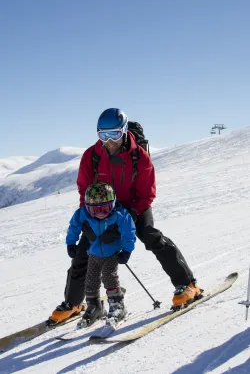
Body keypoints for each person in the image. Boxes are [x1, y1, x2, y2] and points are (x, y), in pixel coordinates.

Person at [49, 108, 201, 324]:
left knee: (151, 236)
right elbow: (85, 189)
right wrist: (88, 219)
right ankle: (73, 303)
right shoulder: (91, 156)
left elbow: (147, 193)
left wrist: (127, 216)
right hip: (100, 209)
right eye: (103, 136)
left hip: (133, 205)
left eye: (114, 135)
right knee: (85, 250)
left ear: (124, 131)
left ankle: (187, 284)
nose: (109, 141)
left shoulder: (139, 156)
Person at [62, 181, 136, 327]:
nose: (101, 214)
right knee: (90, 280)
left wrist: (126, 251)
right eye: (95, 211)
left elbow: (129, 233)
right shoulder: (83, 214)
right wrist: (71, 243)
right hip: (93, 254)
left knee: (109, 276)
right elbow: (74, 227)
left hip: (111, 254)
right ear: (88, 208)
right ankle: (94, 306)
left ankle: (118, 306)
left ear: (113, 203)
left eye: (106, 209)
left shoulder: (121, 215)